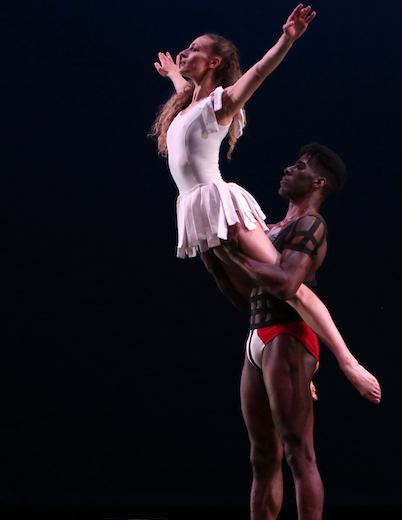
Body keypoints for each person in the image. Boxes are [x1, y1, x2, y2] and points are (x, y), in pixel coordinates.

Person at [149, 5, 377, 402]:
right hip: (194, 208)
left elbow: (258, 73)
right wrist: (173, 75)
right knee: (239, 290)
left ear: (214, 62)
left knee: (287, 285)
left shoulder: (221, 103)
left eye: (193, 49)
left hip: (218, 203)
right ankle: (285, 347)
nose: (184, 53)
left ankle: (346, 361)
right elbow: (186, 110)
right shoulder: (189, 107)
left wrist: (286, 39)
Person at [202, 143, 378, 520]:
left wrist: (235, 256)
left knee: (300, 454)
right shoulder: (269, 230)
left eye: (299, 166)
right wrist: (216, 257)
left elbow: (285, 285)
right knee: (262, 458)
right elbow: (247, 297)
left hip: (289, 335)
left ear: (317, 182)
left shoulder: (311, 226)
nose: (287, 168)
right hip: (257, 337)